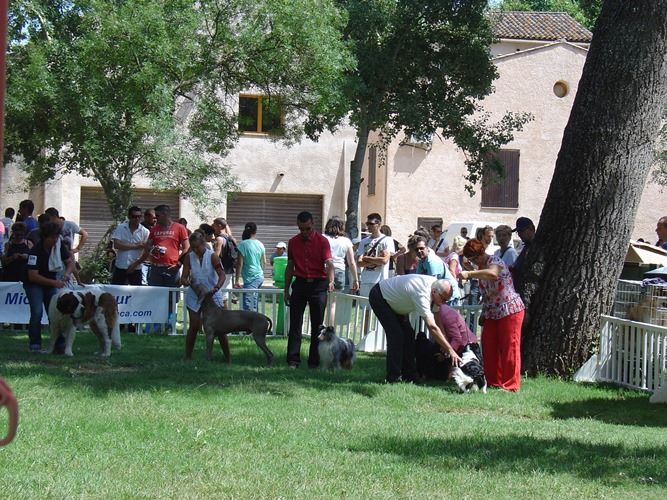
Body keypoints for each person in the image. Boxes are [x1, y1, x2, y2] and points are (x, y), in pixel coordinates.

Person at [368, 274, 461, 383]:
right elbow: (431, 326)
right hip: (380, 296)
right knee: (396, 335)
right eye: (443, 299)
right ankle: (393, 378)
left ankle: (409, 375)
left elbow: (436, 317)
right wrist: (450, 349)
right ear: (434, 292)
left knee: (409, 335)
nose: (444, 303)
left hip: (397, 302)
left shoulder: (436, 289)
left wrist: (444, 341)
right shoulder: (423, 294)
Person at [459, 239, 525, 392]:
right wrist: (484, 311)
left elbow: (493, 274)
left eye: (476, 258)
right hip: (492, 312)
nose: (475, 262)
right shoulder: (481, 268)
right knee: (489, 346)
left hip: (510, 310)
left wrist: (469, 273)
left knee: (510, 347)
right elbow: (488, 294)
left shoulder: (495, 261)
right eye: (471, 260)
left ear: (482, 252)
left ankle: (511, 385)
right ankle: (494, 382)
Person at [284, 211, 335, 368]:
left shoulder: (322, 241)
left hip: (319, 285)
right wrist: (286, 290)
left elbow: (329, 263)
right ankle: (293, 360)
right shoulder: (293, 242)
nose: (304, 232)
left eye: (307, 228)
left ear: (313, 224)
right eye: (301, 229)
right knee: (295, 324)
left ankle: (314, 361)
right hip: (300, 284)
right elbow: (290, 266)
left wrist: (331, 281)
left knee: (317, 326)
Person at [24, 222, 75, 352]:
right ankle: (35, 344)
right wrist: (54, 283)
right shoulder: (35, 251)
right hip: (34, 285)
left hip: (51, 282)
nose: (55, 240)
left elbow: (70, 263)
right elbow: (33, 276)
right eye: (52, 237)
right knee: (37, 312)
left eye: (56, 237)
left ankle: (59, 343)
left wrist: (67, 274)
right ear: (44, 237)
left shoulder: (59, 247)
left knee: (55, 312)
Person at [181, 231, 228, 361]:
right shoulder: (188, 257)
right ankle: (188, 356)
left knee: (221, 328)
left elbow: (222, 275)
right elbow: (183, 277)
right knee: (194, 325)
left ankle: (227, 357)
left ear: (203, 244)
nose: (195, 250)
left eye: (197, 247)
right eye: (193, 247)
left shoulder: (212, 256)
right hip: (194, 294)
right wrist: (185, 281)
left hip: (212, 294)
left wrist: (217, 287)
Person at [128, 205, 189, 287]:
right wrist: (137, 263)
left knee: (171, 297)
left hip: (171, 268)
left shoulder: (179, 228)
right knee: (155, 295)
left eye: (158, 216)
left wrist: (179, 264)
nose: (155, 218)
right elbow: (147, 249)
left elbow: (187, 248)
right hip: (155, 268)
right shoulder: (154, 229)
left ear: (165, 215)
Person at [414, 236, 461, 306]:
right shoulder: (422, 261)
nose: (419, 251)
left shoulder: (432, 261)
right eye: (416, 249)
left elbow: (432, 284)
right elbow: (417, 279)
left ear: (427, 248)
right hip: (440, 294)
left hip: (449, 296)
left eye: (421, 248)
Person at [356, 213, 394, 297]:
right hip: (365, 279)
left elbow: (384, 260)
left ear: (379, 224)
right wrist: (376, 260)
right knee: (365, 307)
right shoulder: (363, 241)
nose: (368, 226)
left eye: (371, 224)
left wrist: (366, 258)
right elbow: (359, 262)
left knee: (377, 307)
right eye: (367, 224)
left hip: (380, 279)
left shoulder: (387, 240)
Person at [111, 206, 149, 285]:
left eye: (139, 216)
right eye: (134, 216)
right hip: (120, 266)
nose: (137, 219)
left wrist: (135, 265)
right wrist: (136, 246)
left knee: (136, 293)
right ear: (129, 217)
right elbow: (116, 245)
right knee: (117, 292)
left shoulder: (145, 231)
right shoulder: (121, 228)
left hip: (136, 267)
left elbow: (147, 252)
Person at [234, 222, 266, 311]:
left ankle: (252, 324)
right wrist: (261, 273)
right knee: (253, 303)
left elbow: (239, 264)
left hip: (250, 278)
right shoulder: (260, 244)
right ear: (255, 231)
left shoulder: (242, 244)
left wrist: (237, 280)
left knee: (249, 306)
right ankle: (257, 323)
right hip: (259, 276)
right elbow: (264, 262)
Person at [324, 216, 359, 293]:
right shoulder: (346, 241)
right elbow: (352, 262)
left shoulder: (323, 238)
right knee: (334, 300)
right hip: (339, 270)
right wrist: (355, 279)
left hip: (325, 269)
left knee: (323, 297)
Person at [511, 216, 536, 292]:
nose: (519, 234)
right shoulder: (525, 247)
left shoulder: (537, 247)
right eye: (517, 232)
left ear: (531, 228)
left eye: (521, 231)